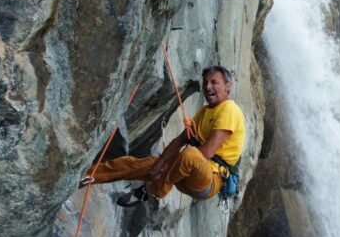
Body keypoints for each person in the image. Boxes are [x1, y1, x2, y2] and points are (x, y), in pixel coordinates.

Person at [80, 66, 246, 207]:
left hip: (208, 180)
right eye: (205, 83)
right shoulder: (205, 111)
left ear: (228, 86)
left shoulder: (230, 110)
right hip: (184, 173)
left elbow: (207, 153)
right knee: (137, 164)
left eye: (214, 82)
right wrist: (159, 165)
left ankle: (152, 191)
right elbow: (180, 140)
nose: (208, 87)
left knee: (190, 154)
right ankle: (85, 177)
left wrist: (164, 169)